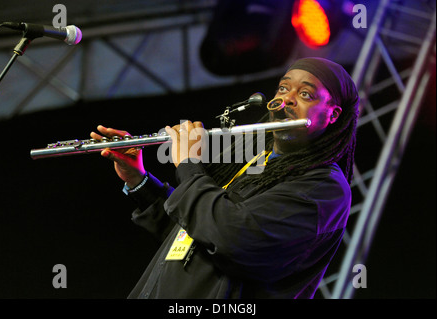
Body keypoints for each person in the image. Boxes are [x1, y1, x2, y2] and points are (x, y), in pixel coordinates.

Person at [90, 57, 359, 299]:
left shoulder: (324, 188)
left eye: (305, 94)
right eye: (283, 88)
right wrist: (139, 179)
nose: (286, 99)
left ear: (333, 114)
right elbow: (195, 228)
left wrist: (188, 163)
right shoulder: (251, 157)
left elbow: (231, 237)